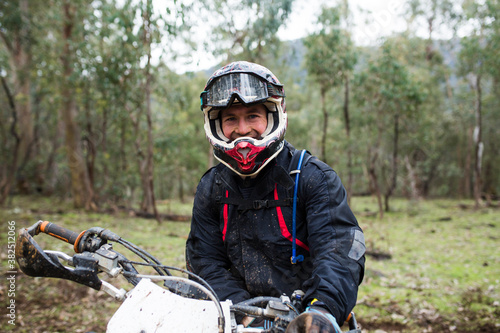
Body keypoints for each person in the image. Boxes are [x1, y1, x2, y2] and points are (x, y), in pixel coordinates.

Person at [186, 61, 365, 332]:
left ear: (274, 117)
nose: (242, 129)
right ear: (216, 125)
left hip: (306, 317)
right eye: (230, 118)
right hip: (237, 319)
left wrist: (321, 311)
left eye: (253, 116)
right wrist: (248, 316)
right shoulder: (211, 188)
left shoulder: (313, 177)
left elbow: (339, 252)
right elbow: (205, 261)